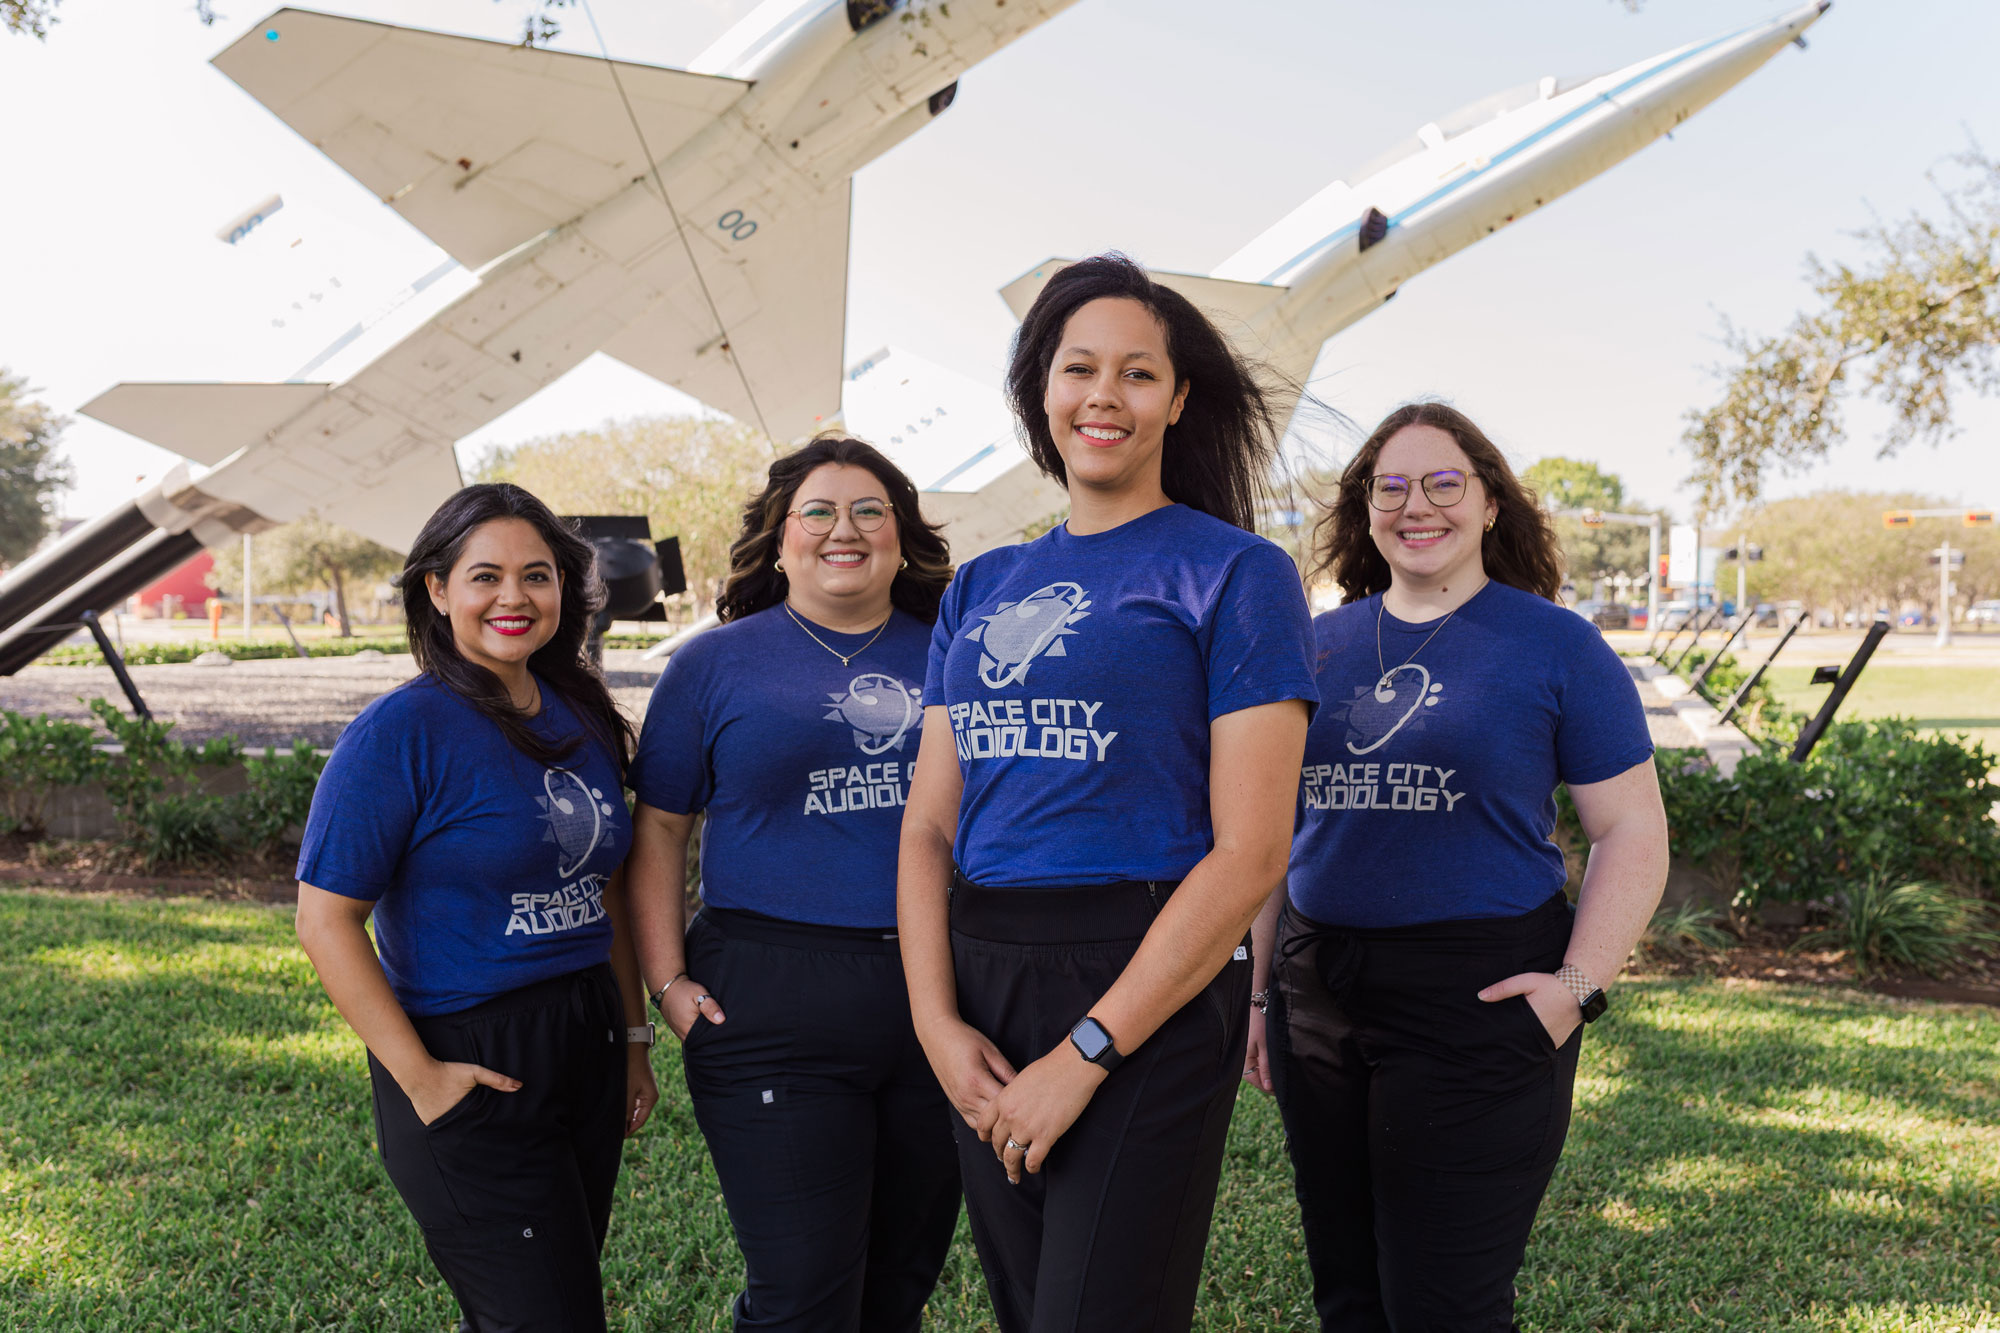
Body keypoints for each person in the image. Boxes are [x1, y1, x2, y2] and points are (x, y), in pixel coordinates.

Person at [897, 253, 1319, 1333]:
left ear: (1178, 400)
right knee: (1033, 1309)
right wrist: (938, 1025)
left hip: (1147, 977)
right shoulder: (982, 586)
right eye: (1077, 367)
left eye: (1137, 373)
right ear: (1040, 390)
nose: (1103, 395)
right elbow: (929, 828)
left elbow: (1251, 854)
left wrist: (1087, 1050)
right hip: (986, 977)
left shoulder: (1234, 572)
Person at [1258, 401, 1669, 1332]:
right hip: (1317, 988)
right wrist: (1258, 996)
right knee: (1348, 1290)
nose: (1418, 505)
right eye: (1391, 486)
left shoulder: (1555, 644)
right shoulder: (1314, 645)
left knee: (1445, 1302)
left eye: (1445, 482)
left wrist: (1577, 986)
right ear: (1365, 509)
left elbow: (1633, 830)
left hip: (1479, 996)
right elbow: (1274, 834)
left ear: (1489, 504)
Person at [294, 483, 656, 1333]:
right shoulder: (400, 732)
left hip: (585, 1036)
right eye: (485, 575)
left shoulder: (582, 713)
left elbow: (604, 889)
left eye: (537, 575)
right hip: (468, 1050)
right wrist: (422, 1079)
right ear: (437, 589)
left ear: (564, 588)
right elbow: (324, 919)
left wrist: (633, 1039)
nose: (513, 597)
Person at [624, 436, 962, 1333]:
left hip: (938, 992)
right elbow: (658, 829)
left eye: (868, 511)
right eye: (817, 511)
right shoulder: (713, 664)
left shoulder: (961, 656)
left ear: (902, 537)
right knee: (802, 1292)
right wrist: (667, 985)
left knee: (899, 1286)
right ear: (779, 538)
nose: (841, 530)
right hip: (769, 994)